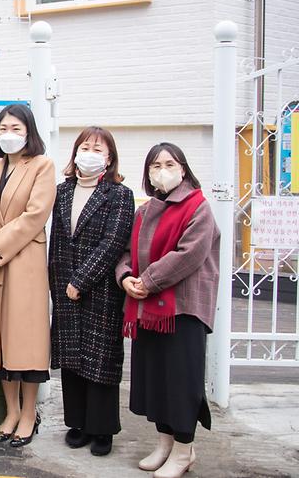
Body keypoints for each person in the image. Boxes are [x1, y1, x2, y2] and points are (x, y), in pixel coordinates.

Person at [115, 143, 219, 478]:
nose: (162, 170)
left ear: (184, 168)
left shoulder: (198, 207)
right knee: (155, 379)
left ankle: (184, 449)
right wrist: (126, 277)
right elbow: (127, 253)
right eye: (155, 165)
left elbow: (189, 254)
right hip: (148, 309)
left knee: (180, 381)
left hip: (183, 310)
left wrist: (148, 280)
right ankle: (164, 442)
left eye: (169, 163)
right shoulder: (144, 211)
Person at [0, 104, 55, 448]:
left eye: (16, 128)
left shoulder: (42, 167)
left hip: (24, 262)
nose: (8, 134)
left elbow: (35, 216)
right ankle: (10, 410)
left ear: (29, 131)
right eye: (3, 128)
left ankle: (29, 413)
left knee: (26, 342)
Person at [48, 127, 135, 456]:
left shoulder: (119, 194)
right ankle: (77, 423)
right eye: (84, 147)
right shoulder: (63, 191)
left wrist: (80, 281)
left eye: (98, 149)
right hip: (63, 282)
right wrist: (59, 283)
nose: (90, 153)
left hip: (100, 289)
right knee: (72, 357)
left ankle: (102, 429)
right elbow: (58, 239)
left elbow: (113, 243)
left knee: (101, 359)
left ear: (109, 157)